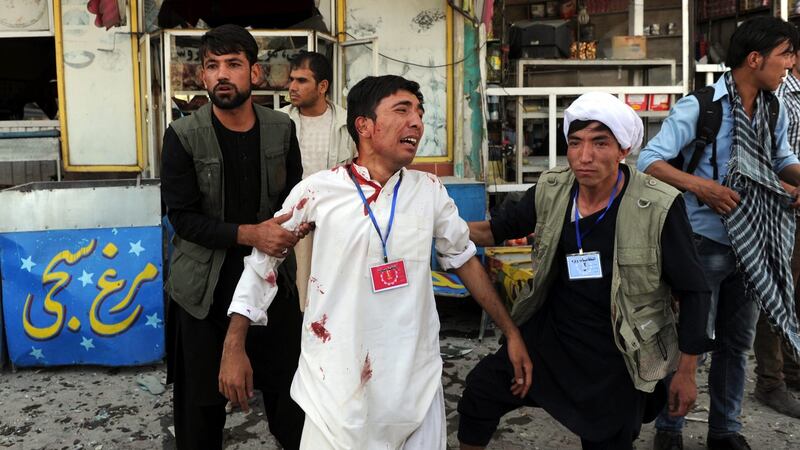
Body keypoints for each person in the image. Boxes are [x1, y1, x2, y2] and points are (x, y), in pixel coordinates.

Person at [219, 75, 533, 450]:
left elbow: (464, 259)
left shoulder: (429, 191)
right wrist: (234, 345)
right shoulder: (318, 191)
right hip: (335, 382)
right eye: (402, 110)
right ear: (364, 126)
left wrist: (511, 333)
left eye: (419, 112)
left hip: (415, 383)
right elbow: (263, 262)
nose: (416, 122)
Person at [457, 92, 713, 450]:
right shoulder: (553, 188)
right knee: (481, 393)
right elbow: (493, 230)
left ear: (623, 149)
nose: (585, 156)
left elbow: (694, 290)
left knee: (607, 438)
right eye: (575, 143)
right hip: (554, 338)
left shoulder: (657, 204)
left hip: (620, 351)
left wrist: (686, 372)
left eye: (599, 143)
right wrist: (435, 223)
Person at [637, 16, 800, 450]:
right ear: (754, 58)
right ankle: (669, 431)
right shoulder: (701, 106)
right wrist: (700, 186)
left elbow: (782, 157)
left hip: (752, 244)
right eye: (784, 54)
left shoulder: (772, 107)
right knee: (688, 340)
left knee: (736, 344)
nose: (790, 63)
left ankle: (724, 430)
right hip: (701, 242)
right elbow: (648, 160)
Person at [160, 24, 305, 450]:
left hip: (272, 288)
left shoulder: (281, 128)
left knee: (294, 409)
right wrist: (251, 234)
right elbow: (183, 219)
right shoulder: (182, 135)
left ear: (255, 74)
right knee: (200, 418)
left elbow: (293, 202)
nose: (222, 74)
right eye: (212, 66)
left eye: (233, 64)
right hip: (204, 295)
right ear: (203, 77)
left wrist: (288, 230)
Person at [279, 51, 356, 310]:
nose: (292, 87)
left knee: (336, 297)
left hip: (339, 224)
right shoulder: (278, 122)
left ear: (322, 86)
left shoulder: (349, 124)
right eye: (291, 80)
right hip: (292, 224)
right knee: (296, 296)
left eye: (301, 81)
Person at [752, 41, 800, 418]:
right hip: (782, 209)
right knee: (777, 294)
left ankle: (793, 367)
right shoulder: (777, 94)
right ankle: (771, 380)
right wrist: (786, 186)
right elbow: (761, 155)